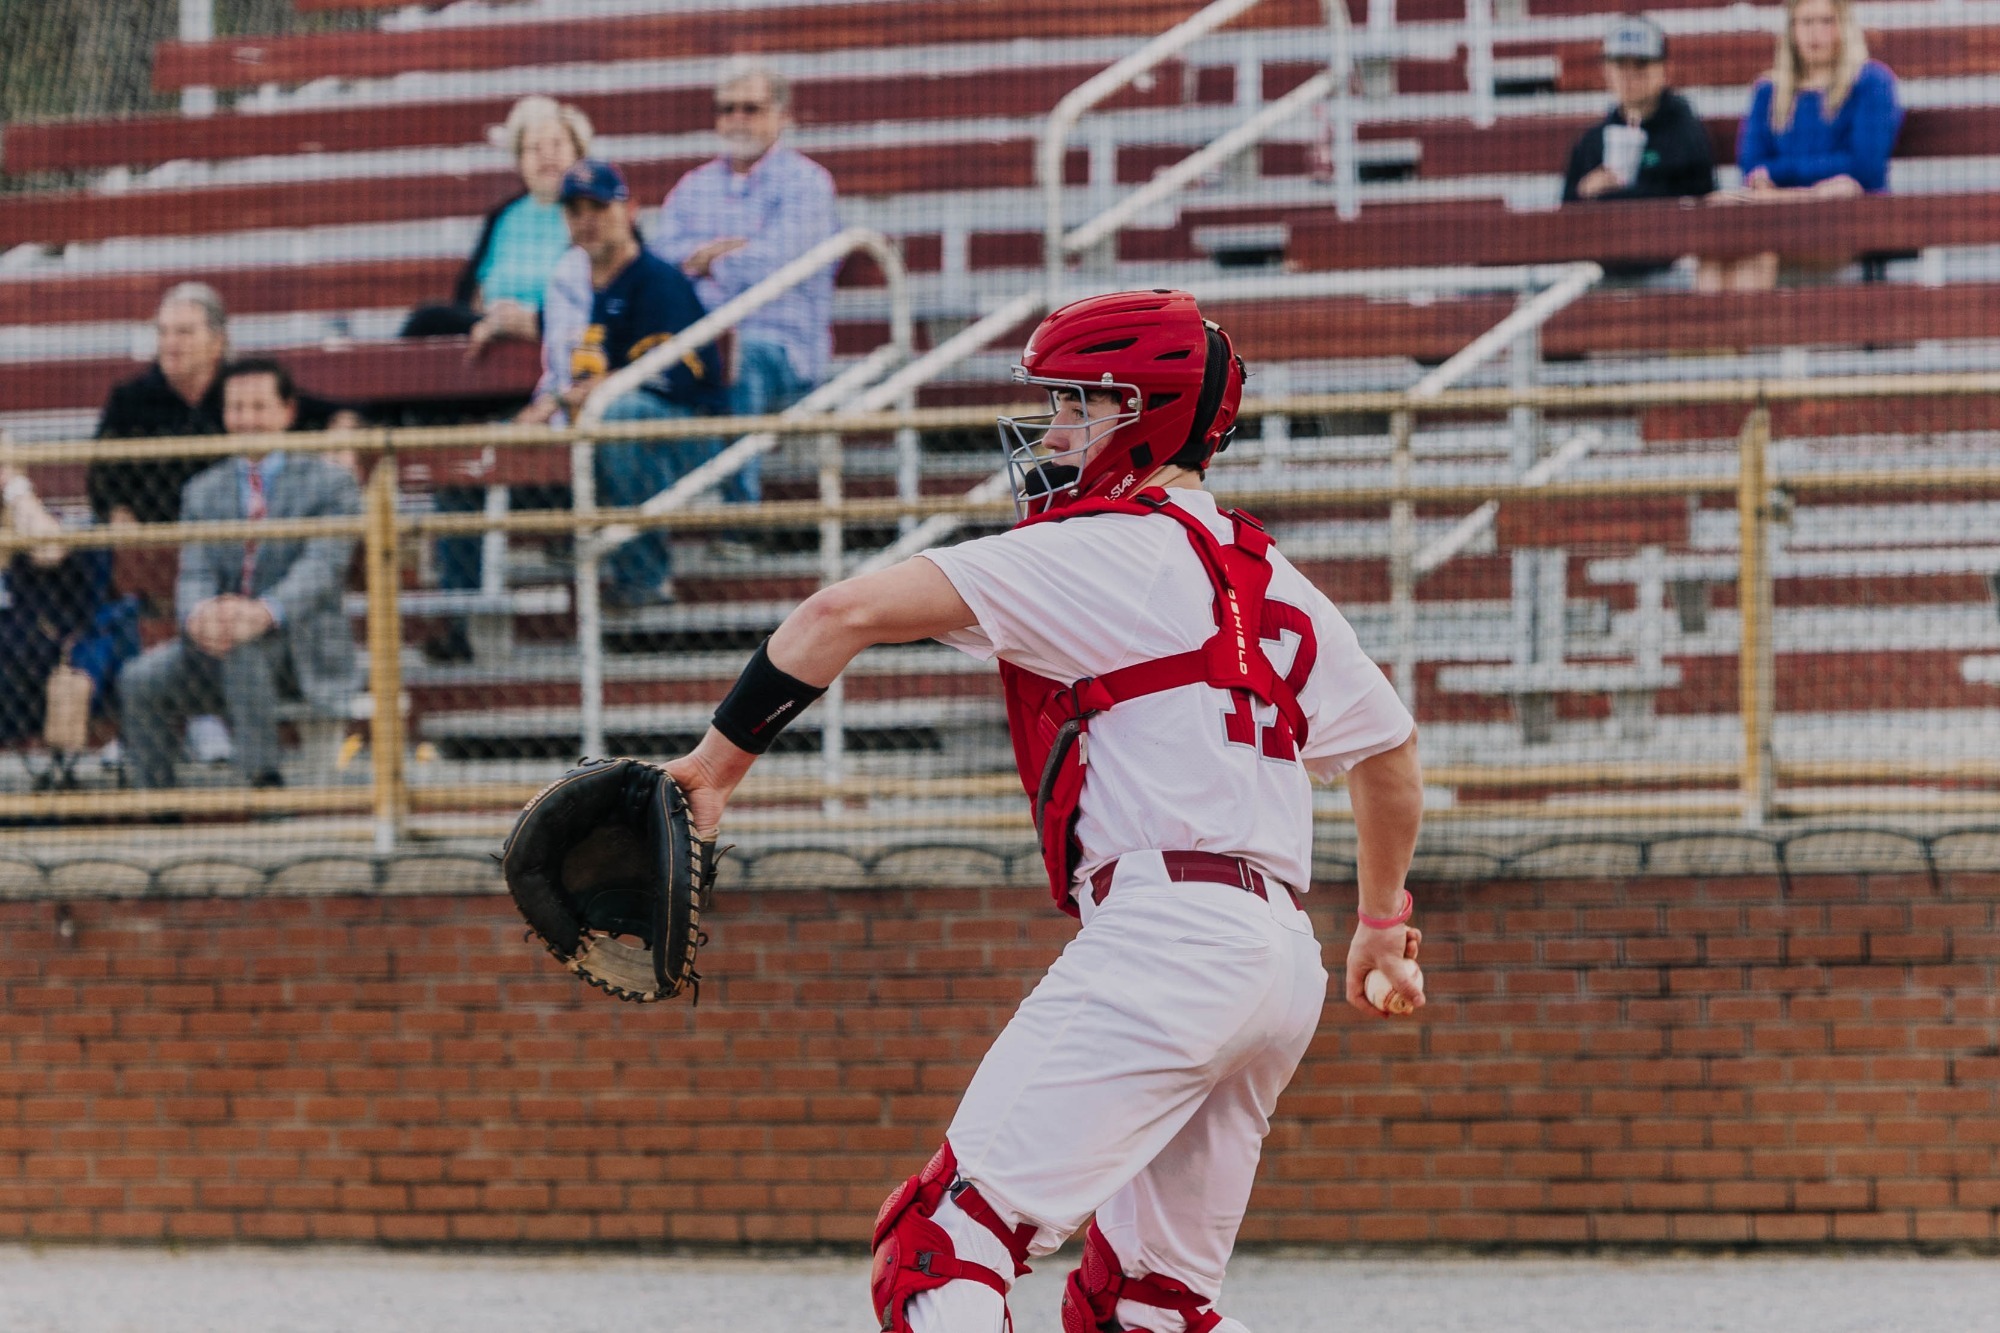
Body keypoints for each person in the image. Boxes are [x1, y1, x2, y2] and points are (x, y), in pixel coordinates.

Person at [658, 291, 1426, 1333]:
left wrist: (714, 765)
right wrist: (1379, 924)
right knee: (1148, 1310)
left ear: (1146, 415)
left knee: (939, 1249)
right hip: (1275, 957)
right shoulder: (1270, 575)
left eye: (1082, 406)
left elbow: (839, 612)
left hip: (1167, 936)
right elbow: (1384, 752)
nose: (1055, 431)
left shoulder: (1101, 545)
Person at [118, 359, 362, 791]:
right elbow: (194, 570)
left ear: (287, 412)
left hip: (298, 646)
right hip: (218, 640)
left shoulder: (330, 484)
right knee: (138, 679)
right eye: (237, 408)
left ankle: (261, 786)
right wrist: (199, 614)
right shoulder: (201, 490)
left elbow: (322, 568)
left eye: (259, 407)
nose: (247, 419)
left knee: (243, 650)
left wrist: (263, 612)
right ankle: (156, 807)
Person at [523, 159, 724, 608]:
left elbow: (675, 376)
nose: (587, 220)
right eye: (575, 211)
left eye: (599, 207)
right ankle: (465, 618)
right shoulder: (578, 286)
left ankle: (645, 579)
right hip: (610, 429)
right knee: (497, 441)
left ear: (629, 210)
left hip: (688, 435)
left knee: (619, 414)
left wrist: (581, 395)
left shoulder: (659, 281)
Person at [652, 57, 840, 501]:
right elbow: (662, 259)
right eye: (727, 109)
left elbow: (773, 263)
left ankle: (739, 518)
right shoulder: (692, 185)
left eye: (750, 109)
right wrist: (728, 251)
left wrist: (707, 260)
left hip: (782, 350)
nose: (737, 119)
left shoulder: (808, 183)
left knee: (741, 355)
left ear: (782, 115)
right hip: (698, 339)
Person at [92, 284, 350, 526]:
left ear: (218, 342)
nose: (170, 343)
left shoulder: (243, 390)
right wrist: (118, 515)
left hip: (234, 538)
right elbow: (100, 476)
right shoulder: (130, 399)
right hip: (152, 541)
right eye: (163, 331)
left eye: (184, 332)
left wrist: (343, 425)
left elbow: (325, 412)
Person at [1702, 0, 1903, 290]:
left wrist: (1779, 183)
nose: (1815, 33)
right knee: (1715, 236)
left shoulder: (1871, 82)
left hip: (1841, 224)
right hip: (1776, 216)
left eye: (1826, 22)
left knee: (1758, 247)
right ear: (1791, 30)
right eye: (1805, 22)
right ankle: (1713, 336)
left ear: (1844, 27)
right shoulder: (1768, 90)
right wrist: (1812, 190)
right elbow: (1752, 165)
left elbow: (1864, 168)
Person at [401, 95, 595, 354]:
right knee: (428, 319)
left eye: (557, 145)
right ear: (519, 161)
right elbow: (469, 295)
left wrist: (529, 320)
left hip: (563, 328)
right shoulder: (503, 216)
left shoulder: (595, 212)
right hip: (491, 327)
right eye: (534, 148)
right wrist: (496, 319)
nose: (547, 156)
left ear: (578, 151)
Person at [1562, 17, 1715, 207]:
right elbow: (1566, 213)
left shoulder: (1686, 133)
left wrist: (1614, 195)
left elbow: (1699, 198)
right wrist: (1585, 191)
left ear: (1664, 69)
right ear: (1606, 70)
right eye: (1620, 64)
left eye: (1641, 64)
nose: (1630, 75)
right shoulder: (1591, 142)